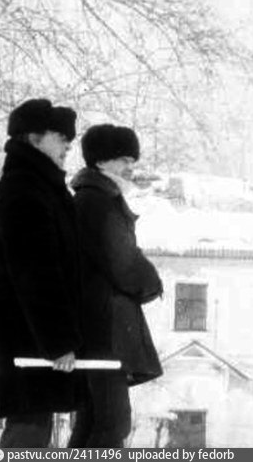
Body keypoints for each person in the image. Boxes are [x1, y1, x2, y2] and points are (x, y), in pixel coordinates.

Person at [0, 98, 83, 447]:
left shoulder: (37, 187)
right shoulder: (25, 191)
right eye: (60, 137)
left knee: (33, 426)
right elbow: (36, 274)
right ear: (33, 138)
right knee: (28, 430)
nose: (68, 146)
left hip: (29, 336)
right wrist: (58, 342)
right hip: (26, 337)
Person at [68, 124, 163, 447]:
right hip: (106, 329)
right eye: (123, 159)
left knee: (93, 421)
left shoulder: (92, 197)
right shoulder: (99, 201)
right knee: (112, 422)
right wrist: (152, 283)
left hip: (97, 327)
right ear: (101, 161)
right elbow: (123, 262)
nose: (130, 167)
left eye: (132, 160)